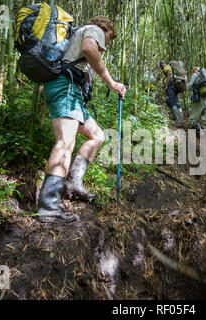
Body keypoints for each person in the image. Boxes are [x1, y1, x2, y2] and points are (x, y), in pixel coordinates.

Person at [38, 16, 126, 222]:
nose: (107, 45)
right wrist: (112, 83)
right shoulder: (94, 29)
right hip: (67, 89)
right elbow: (89, 49)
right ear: (107, 30)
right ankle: (48, 206)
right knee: (65, 143)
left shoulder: (75, 36)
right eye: (110, 40)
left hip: (71, 93)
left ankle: (73, 184)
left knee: (97, 135)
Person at [187, 66, 206, 145]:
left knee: (192, 119)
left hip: (200, 99)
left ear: (194, 71)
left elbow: (189, 86)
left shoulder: (195, 75)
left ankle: (202, 136)